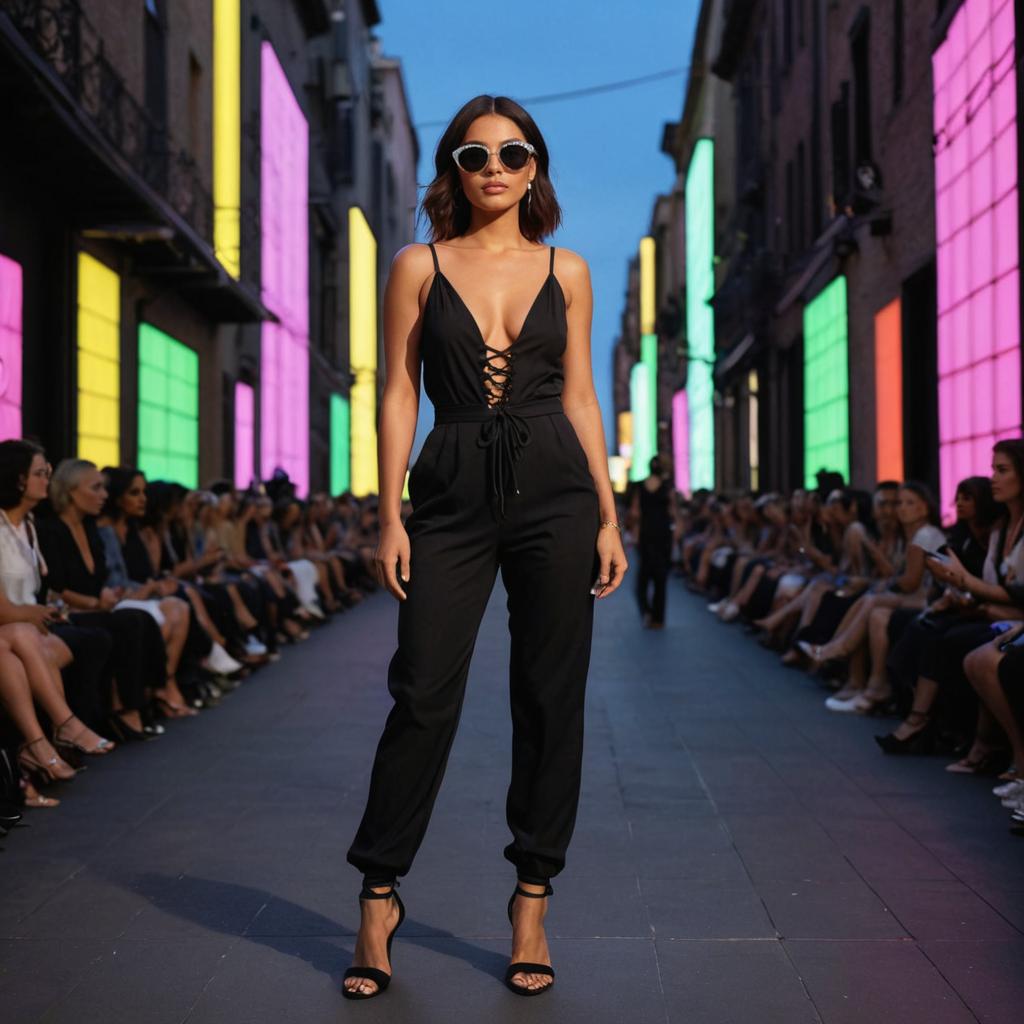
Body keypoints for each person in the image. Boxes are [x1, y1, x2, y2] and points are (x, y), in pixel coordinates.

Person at [342, 95, 628, 1000]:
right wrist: (389, 514)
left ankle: (532, 900)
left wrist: (610, 515)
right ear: (454, 169)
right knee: (421, 691)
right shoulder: (415, 265)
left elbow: (581, 397)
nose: (493, 165)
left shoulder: (570, 270)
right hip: (452, 487)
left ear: (535, 166)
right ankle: (379, 896)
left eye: (512, 151)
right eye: (474, 153)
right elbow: (397, 392)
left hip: (556, 488)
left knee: (550, 697)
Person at [629, 453, 677, 629]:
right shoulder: (667, 487)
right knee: (660, 577)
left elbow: (635, 513)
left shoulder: (640, 486)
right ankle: (658, 618)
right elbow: (673, 512)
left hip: (646, 533)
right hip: (663, 533)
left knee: (643, 575)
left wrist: (634, 532)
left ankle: (646, 612)